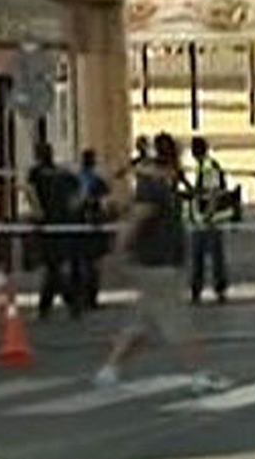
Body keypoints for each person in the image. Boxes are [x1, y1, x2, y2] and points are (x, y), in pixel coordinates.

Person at [93, 133, 230, 394]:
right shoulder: (153, 189)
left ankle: (109, 370)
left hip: (160, 262)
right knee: (177, 322)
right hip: (157, 264)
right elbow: (136, 220)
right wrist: (117, 252)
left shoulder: (161, 185)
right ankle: (199, 374)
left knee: (142, 323)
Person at [26, 142, 84, 320]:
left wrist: (37, 214)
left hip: (47, 224)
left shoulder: (35, 174)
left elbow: (31, 194)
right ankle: (55, 305)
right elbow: (80, 191)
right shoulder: (63, 172)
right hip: (65, 223)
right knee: (55, 265)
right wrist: (72, 209)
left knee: (53, 266)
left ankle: (67, 303)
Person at [189, 137, 230, 305]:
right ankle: (200, 289)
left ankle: (216, 288)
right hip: (202, 220)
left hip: (209, 220)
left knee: (210, 257)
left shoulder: (208, 167)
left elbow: (213, 194)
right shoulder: (202, 167)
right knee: (201, 257)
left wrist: (207, 216)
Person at [77, 148, 112, 309]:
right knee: (94, 264)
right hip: (94, 224)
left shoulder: (77, 179)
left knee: (83, 262)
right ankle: (91, 297)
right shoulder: (96, 180)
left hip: (79, 224)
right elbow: (105, 203)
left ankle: (82, 295)